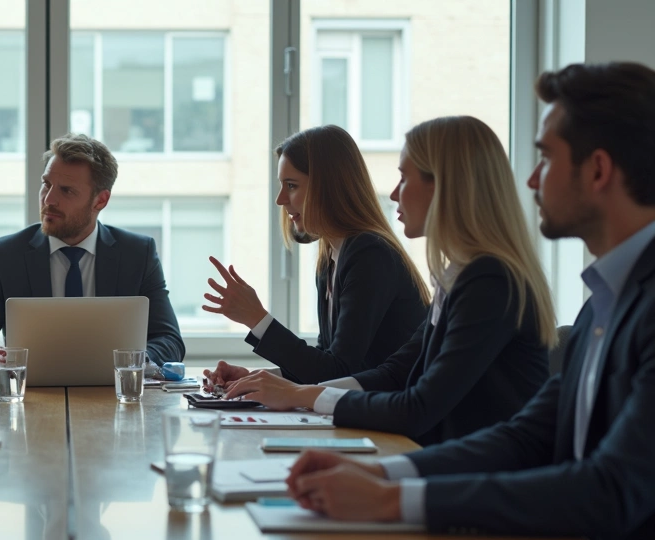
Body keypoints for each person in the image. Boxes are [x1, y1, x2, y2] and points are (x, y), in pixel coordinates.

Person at [284, 62, 655, 540]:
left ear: (597, 171)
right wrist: (381, 473)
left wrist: (393, 499)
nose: (530, 178)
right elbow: (524, 436)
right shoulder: (601, 302)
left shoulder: (510, 283)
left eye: (545, 158)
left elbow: (611, 487)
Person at [224, 116, 557, 446]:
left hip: (475, 473)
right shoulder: (457, 277)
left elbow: (417, 405)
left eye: (404, 179)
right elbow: (395, 373)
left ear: (445, 186)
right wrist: (283, 387)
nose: (394, 194)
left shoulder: (488, 282)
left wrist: (305, 393)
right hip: (450, 458)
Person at [0, 133, 185, 378]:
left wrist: (132, 362)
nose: (49, 199)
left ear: (100, 200)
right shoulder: (6, 256)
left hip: (114, 400)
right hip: (31, 404)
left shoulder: (137, 254)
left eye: (66, 191)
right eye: (46, 184)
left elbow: (169, 341)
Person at [203, 125, 430, 386]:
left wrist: (257, 318)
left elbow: (338, 372)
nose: (280, 199)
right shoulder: (330, 258)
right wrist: (257, 378)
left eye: (291, 185)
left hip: (389, 417)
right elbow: (326, 361)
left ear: (328, 187)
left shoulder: (370, 255)